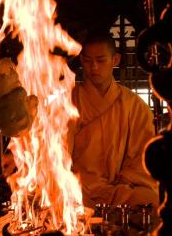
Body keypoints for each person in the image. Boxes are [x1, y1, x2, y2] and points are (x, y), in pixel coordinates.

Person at [68, 31, 159, 211]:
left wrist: (124, 180)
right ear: (81, 61)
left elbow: (143, 155)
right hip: (78, 189)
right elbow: (56, 154)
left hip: (119, 190)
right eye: (87, 61)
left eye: (101, 60)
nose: (93, 67)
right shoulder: (68, 102)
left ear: (115, 60)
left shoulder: (134, 105)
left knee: (150, 198)